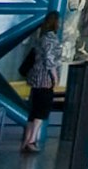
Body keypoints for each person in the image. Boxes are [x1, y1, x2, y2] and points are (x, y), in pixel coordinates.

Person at [23, 11, 68, 154]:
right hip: (45, 79)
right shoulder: (51, 39)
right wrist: (55, 77)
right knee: (41, 111)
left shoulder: (40, 38)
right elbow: (50, 60)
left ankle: (27, 139)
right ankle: (32, 140)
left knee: (34, 110)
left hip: (36, 78)